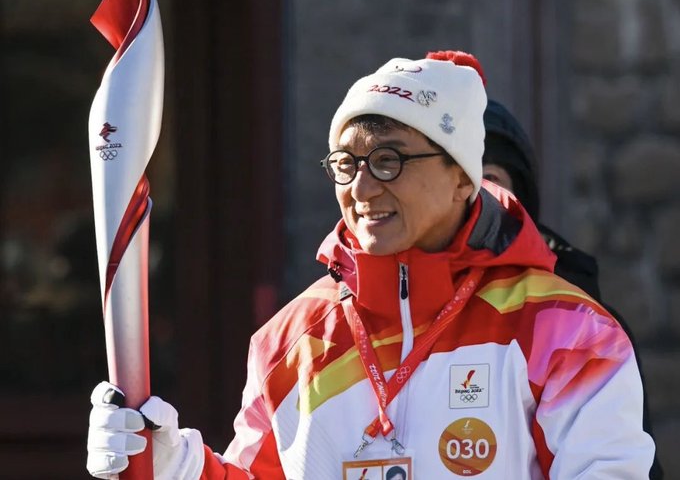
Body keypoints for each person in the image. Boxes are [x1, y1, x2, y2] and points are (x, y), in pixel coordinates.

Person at [87, 51, 655, 479]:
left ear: (463, 177)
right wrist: (175, 467)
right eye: (345, 162)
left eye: (388, 160)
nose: (361, 186)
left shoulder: (565, 330)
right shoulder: (293, 341)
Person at [480, 97, 664, 478]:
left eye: (489, 179)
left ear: (521, 199)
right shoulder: (374, 309)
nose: (469, 198)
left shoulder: (580, 321)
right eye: (458, 179)